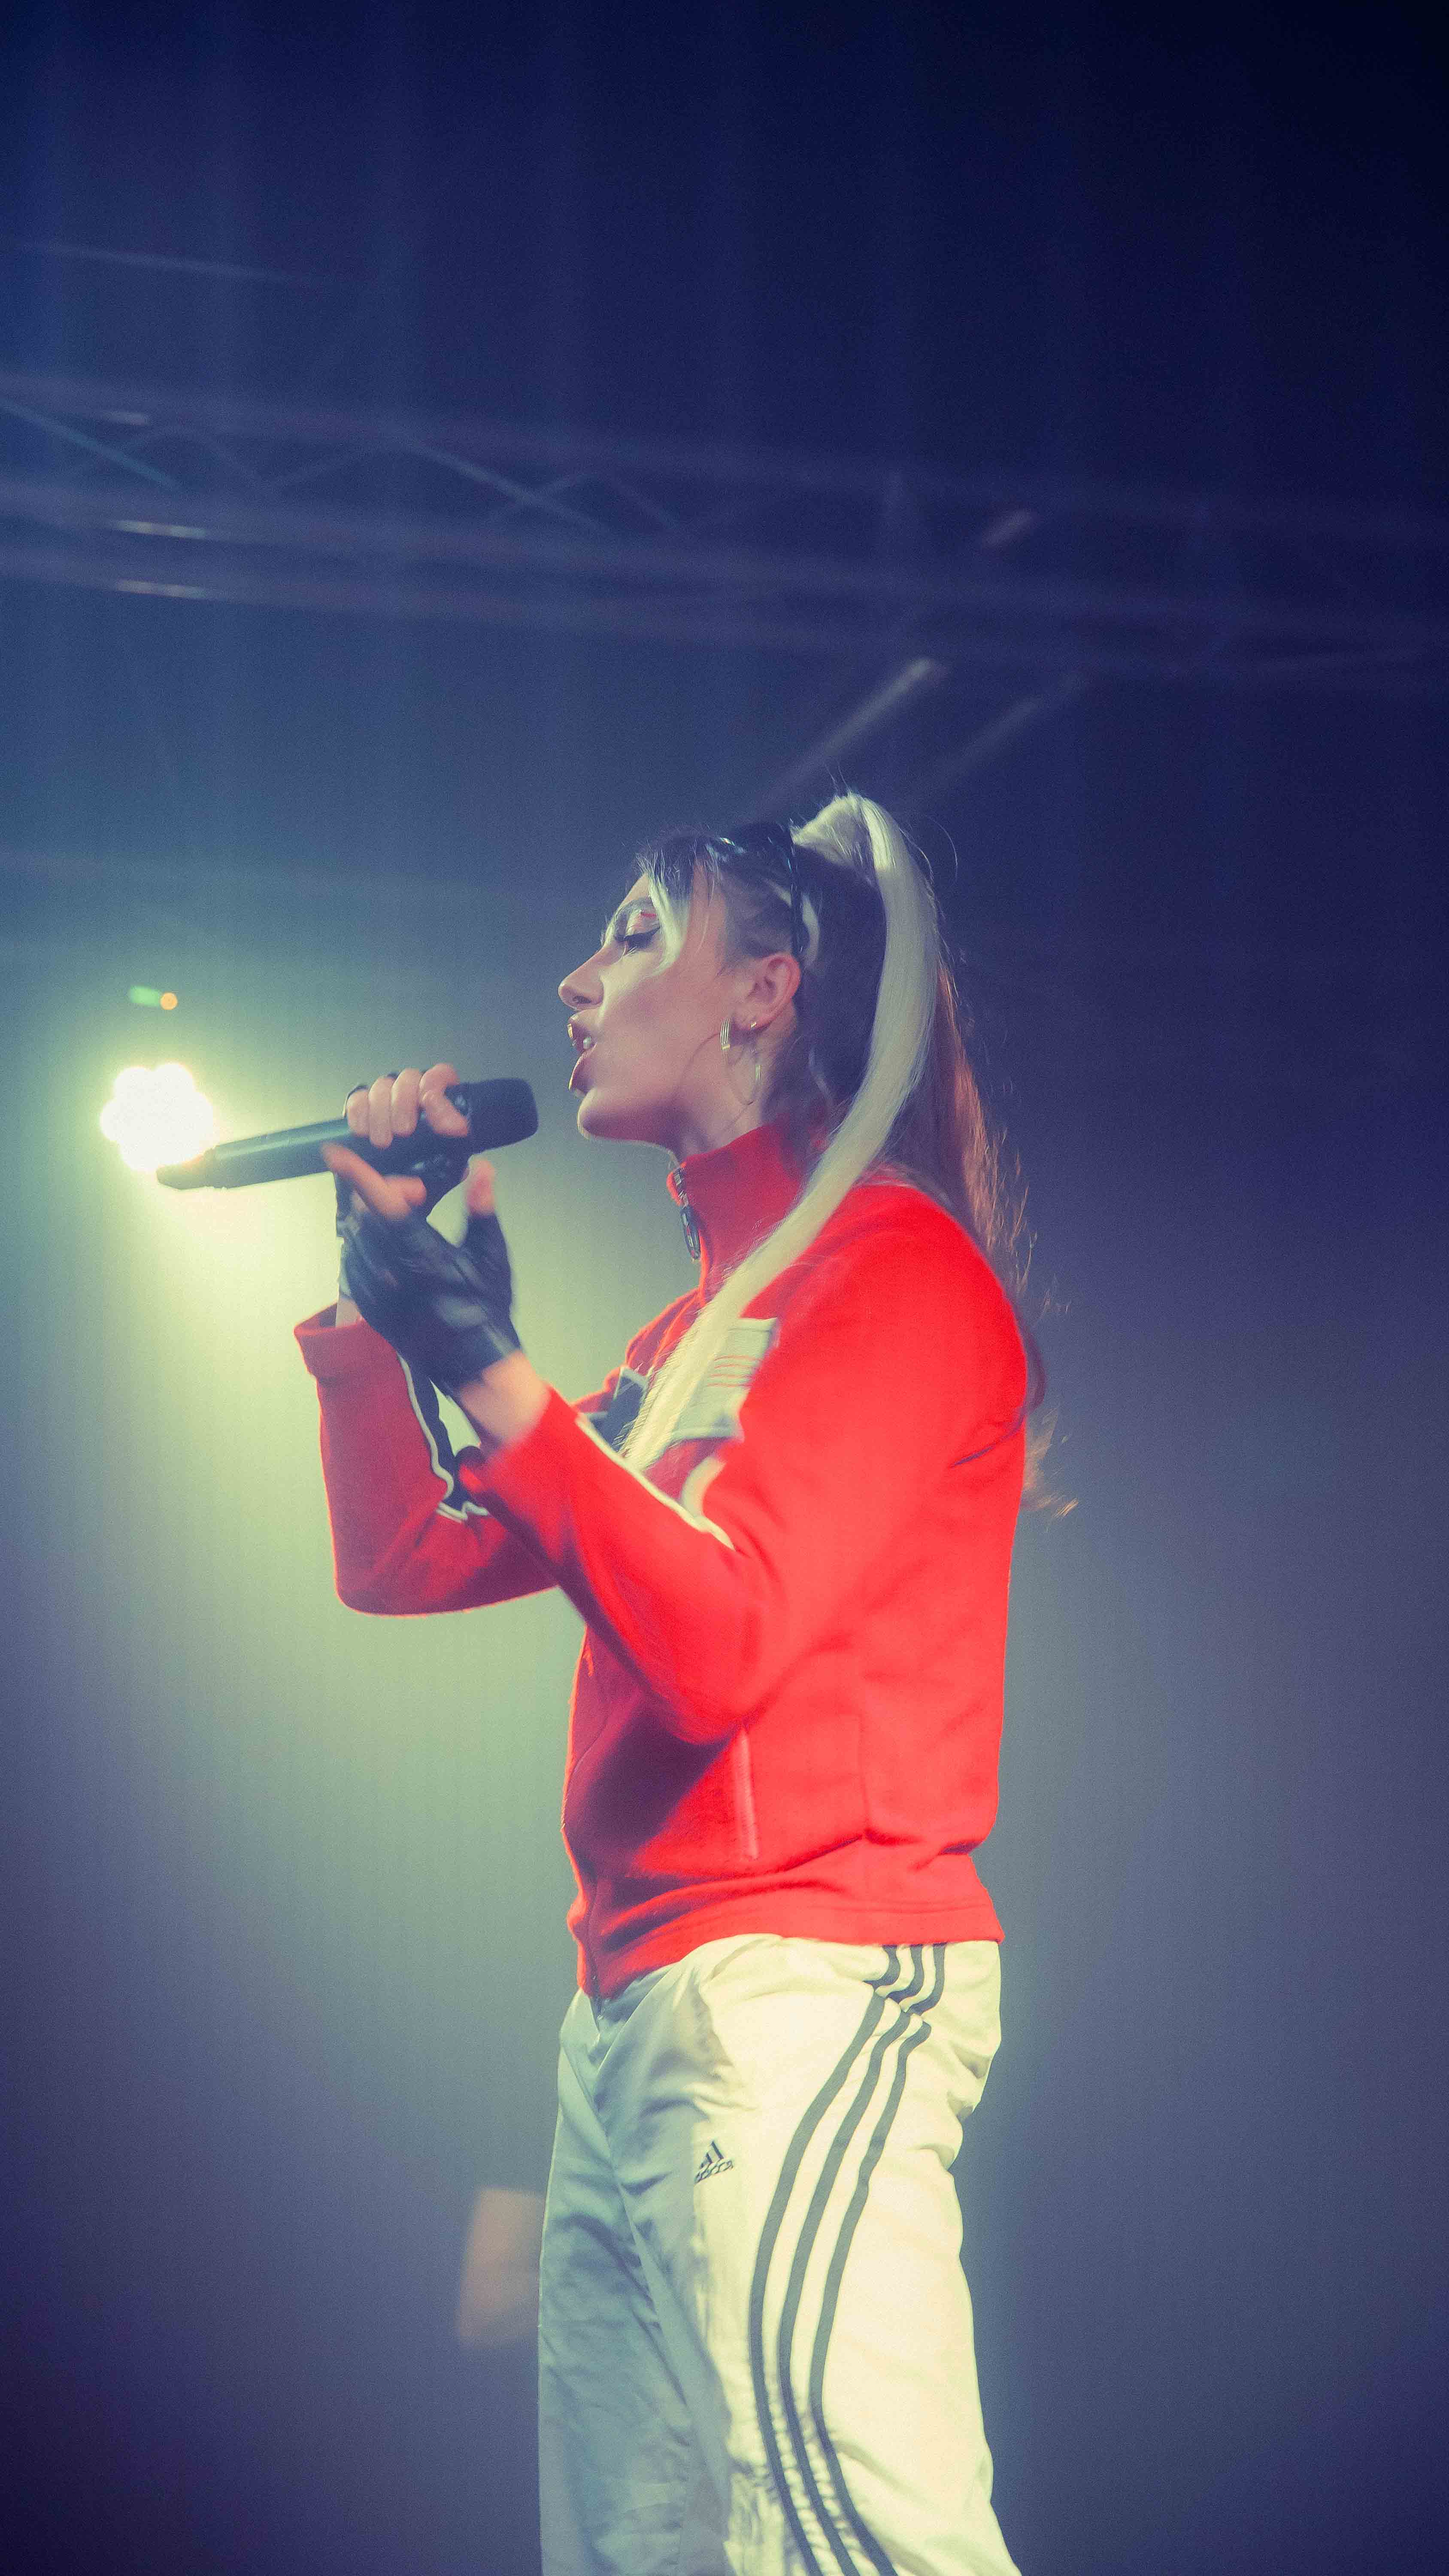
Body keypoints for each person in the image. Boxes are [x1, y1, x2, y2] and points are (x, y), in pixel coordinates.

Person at [296, 794, 1040, 2576]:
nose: (574, 980)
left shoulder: (899, 1278)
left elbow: (718, 1649)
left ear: (765, 991)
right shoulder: (688, 1339)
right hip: (630, 2013)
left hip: (803, 1986)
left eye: (634, 933)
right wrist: (391, 1325)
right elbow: (404, 1560)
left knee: (856, 2543)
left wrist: (489, 1367)